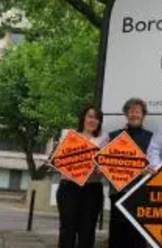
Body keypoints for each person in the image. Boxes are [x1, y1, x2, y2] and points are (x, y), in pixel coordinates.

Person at [56, 105, 109, 248]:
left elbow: (105, 165)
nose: (93, 120)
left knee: (87, 231)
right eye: (90, 116)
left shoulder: (104, 138)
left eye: (97, 118)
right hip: (69, 188)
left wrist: (101, 169)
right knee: (67, 229)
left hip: (92, 189)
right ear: (83, 118)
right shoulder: (69, 135)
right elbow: (60, 160)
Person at [108, 98, 152, 248]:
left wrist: (149, 169)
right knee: (117, 235)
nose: (134, 114)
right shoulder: (113, 136)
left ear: (143, 114)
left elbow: (155, 163)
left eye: (137, 111)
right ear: (126, 114)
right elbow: (105, 162)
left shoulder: (151, 137)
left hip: (141, 193)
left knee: (138, 235)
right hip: (118, 192)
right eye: (131, 111)